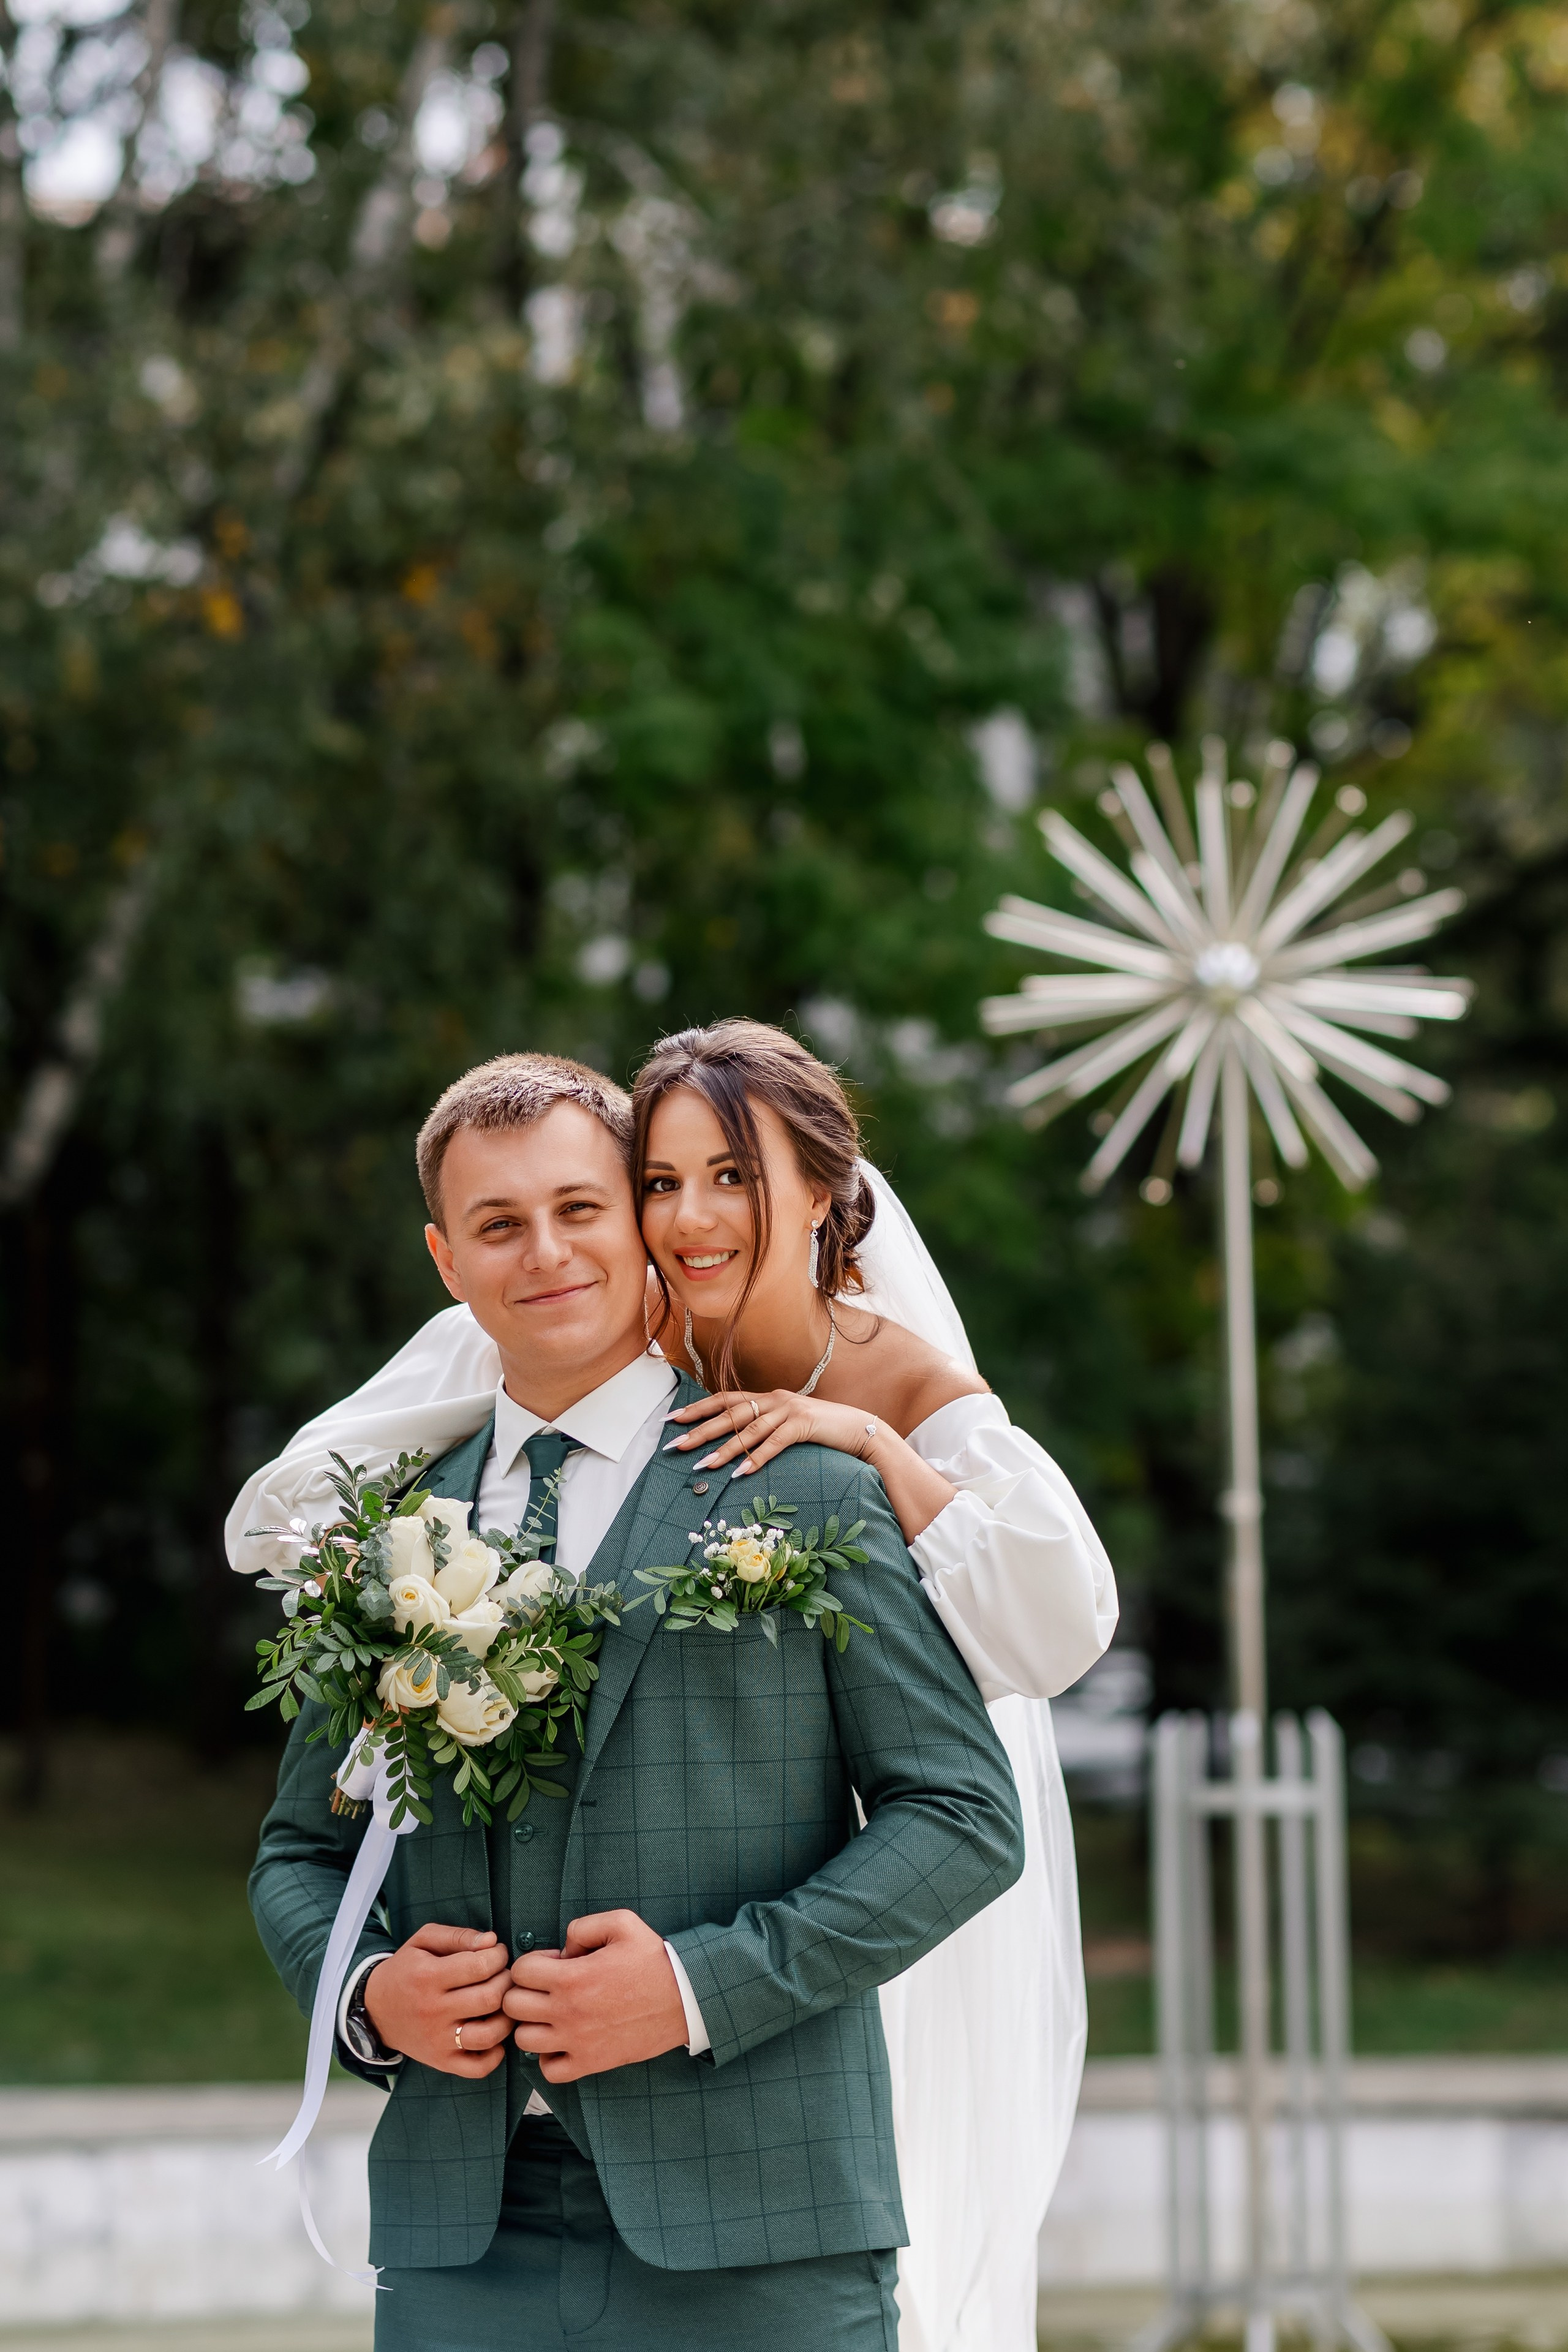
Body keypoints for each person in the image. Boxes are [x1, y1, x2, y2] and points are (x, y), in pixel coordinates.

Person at [230, 1025, 1120, 2352]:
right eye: (503, 1222)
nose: (551, 1250)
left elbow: (966, 1810)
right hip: (459, 2234)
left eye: (585, 1206)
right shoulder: (397, 1520)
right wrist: (366, 1997)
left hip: (763, 2207)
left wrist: (702, 1988)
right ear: (446, 1257)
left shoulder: (827, 1480)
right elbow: (301, 1846)